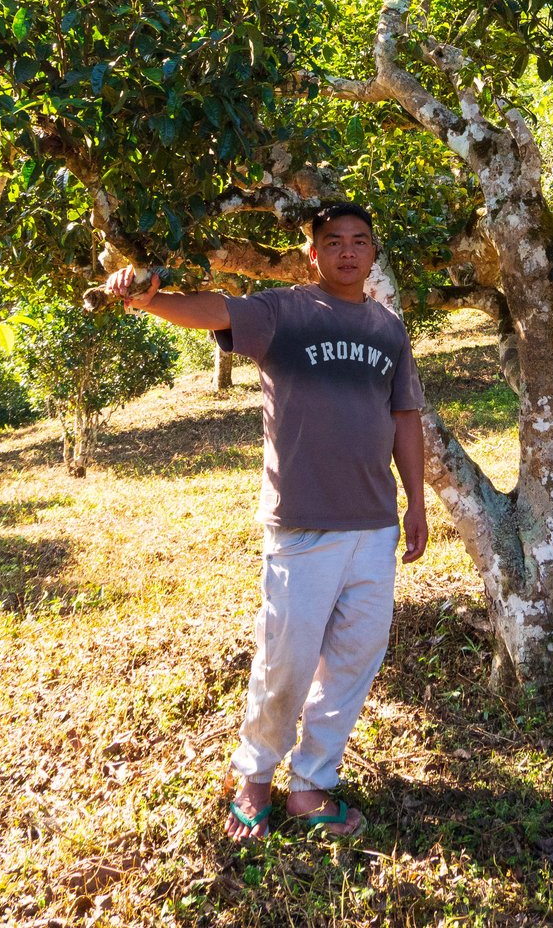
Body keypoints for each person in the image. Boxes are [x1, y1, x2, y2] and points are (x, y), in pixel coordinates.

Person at [104, 201, 428, 841]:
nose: (346, 251)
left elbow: (404, 419)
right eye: (332, 241)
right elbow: (216, 310)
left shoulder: (390, 330)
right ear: (314, 253)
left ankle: (312, 782)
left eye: (359, 241)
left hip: (374, 524)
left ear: (373, 253)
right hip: (303, 522)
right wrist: (147, 300)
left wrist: (415, 501)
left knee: (356, 657)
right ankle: (254, 776)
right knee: (287, 659)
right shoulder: (286, 310)